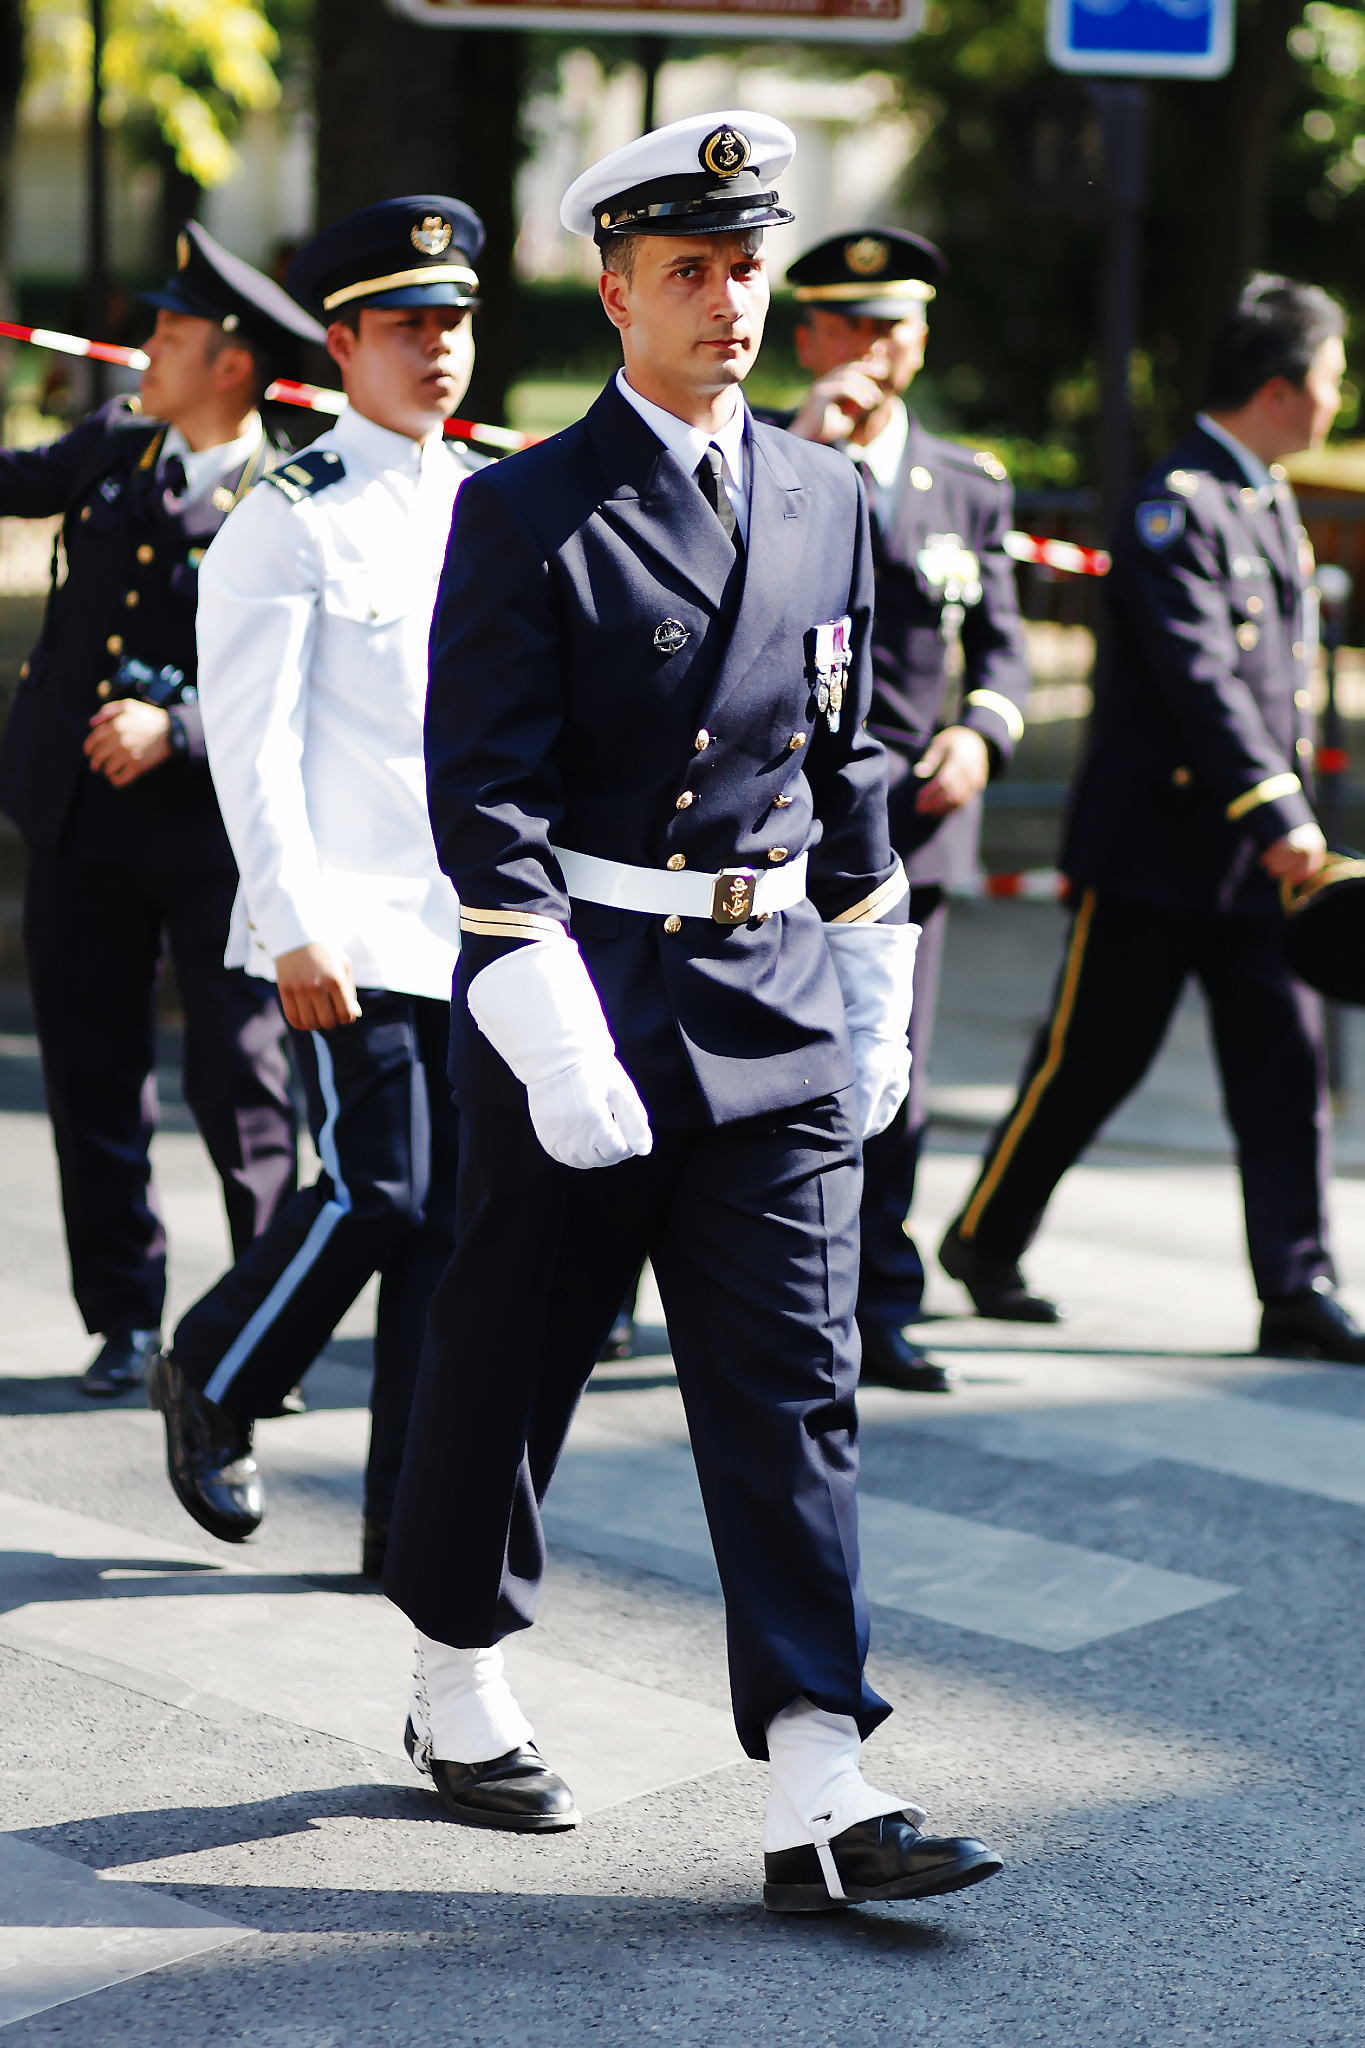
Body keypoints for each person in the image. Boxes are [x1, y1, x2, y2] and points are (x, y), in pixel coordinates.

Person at [384, 113, 1004, 1914]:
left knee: (795, 1387)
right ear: (616, 291)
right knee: (511, 1353)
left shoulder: (832, 497)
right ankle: (452, 1667)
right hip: (586, 984)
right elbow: (482, 793)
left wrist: (874, 962)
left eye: (749, 268)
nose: (731, 303)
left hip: (774, 993)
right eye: (692, 272)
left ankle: (820, 1769)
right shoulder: (525, 508)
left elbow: (855, 751)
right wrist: (541, 1005)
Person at [147, 196, 486, 1576]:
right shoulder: (288, 520)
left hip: (477, 926)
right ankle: (216, 1372)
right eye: (407, 327)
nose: (438, 349)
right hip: (344, 925)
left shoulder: (487, 501)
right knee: (378, 1193)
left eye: (454, 323)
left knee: (450, 1234)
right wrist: (291, 923)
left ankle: (405, 1524)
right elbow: (255, 743)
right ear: (342, 346)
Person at [941, 274, 1365, 1363]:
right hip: (1159, 856)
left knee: (1285, 1068)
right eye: (1329, 376)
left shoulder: (1262, 495)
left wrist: (1284, 821)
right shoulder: (1172, 501)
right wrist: (1279, 808)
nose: (1337, 396)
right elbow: (1202, 681)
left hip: (1258, 865)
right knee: (1090, 1062)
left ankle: (1297, 1283)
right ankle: (987, 1239)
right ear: (1279, 390)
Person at [0, 224, 322, 1398]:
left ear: (229, 363)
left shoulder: (290, 492)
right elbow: (10, 480)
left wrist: (176, 729)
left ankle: (264, 1329)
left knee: (243, 1089)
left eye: (170, 335)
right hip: (79, 825)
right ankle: (123, 1316)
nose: (145, 349)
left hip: (212, 841)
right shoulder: (113, 447)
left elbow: (311, 678)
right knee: (94, 1078)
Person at [782, 229, 1032, 1390]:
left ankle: (879, 1299)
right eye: (856, 323)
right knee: (754, 1060)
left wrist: (981, 732)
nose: (881, 346)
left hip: (909, 831)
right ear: (809, 338)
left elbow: (1007, 648)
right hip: (776, 821)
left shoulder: (969, 484)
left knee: (899, 1075)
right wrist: (797, 448)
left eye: (900, 323)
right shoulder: (764, 458)